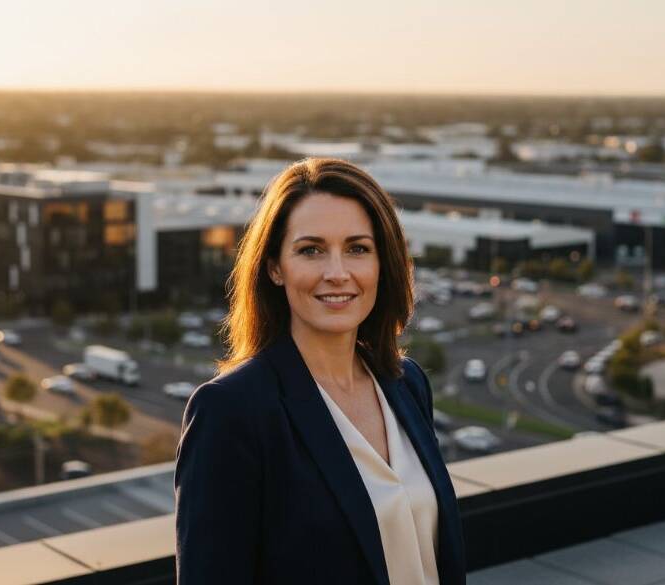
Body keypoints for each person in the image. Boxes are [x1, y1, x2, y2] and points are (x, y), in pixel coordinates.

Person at [175, 158, 466, 585]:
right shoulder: (231, 412)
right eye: (311, 250)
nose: (337, 273)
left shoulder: (407, 384)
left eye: (357, 249)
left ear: (383, 264)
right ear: (275, 267)